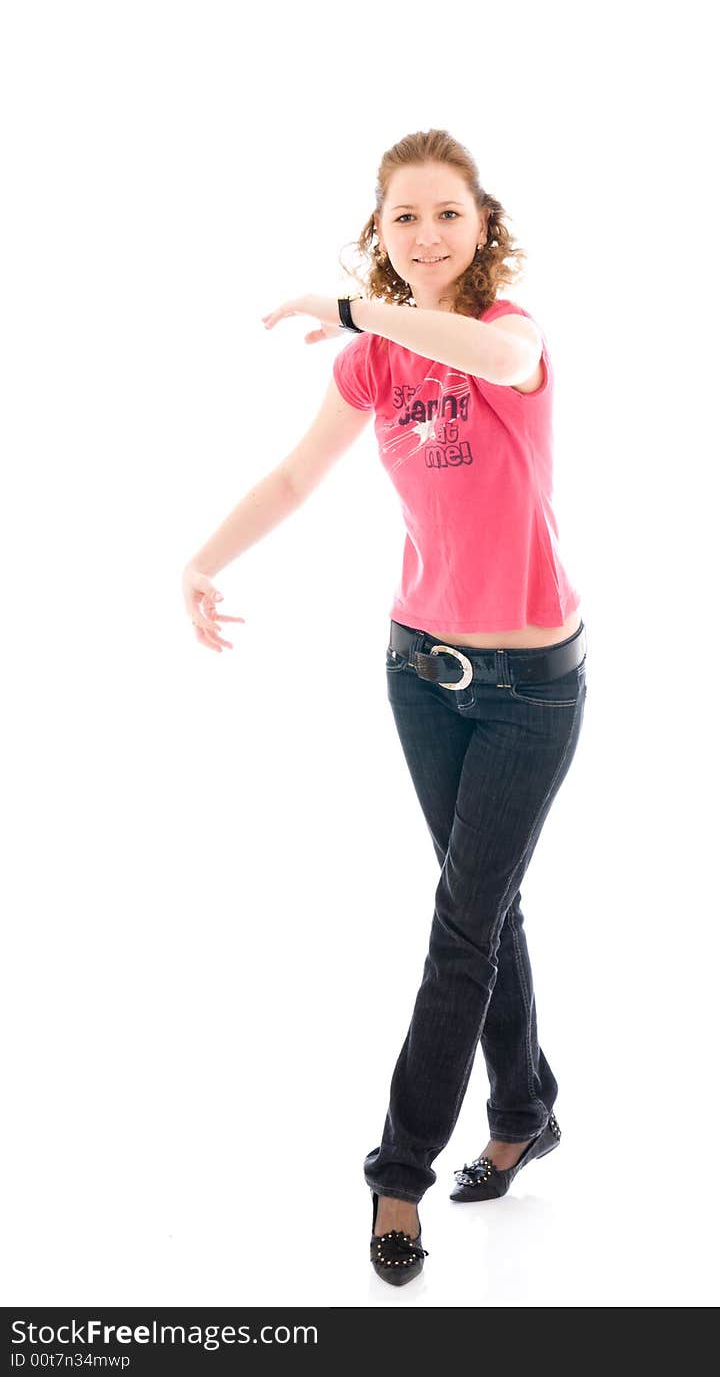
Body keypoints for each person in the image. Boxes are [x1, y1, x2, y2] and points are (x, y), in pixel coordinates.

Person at [181, 129, 587, 1287]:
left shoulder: (508, 333)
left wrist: (360, 309)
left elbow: (488, 361)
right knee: (485, 906)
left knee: (460, 926)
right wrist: (200, 561)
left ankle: (397, 1172)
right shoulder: (371, 360)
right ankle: (523, 1111)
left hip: (527, 689)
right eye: (403, 216)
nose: (424, 235)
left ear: (479, 223)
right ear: (381, 228)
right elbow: (298, 475)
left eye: (445, 214)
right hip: (419, 670)